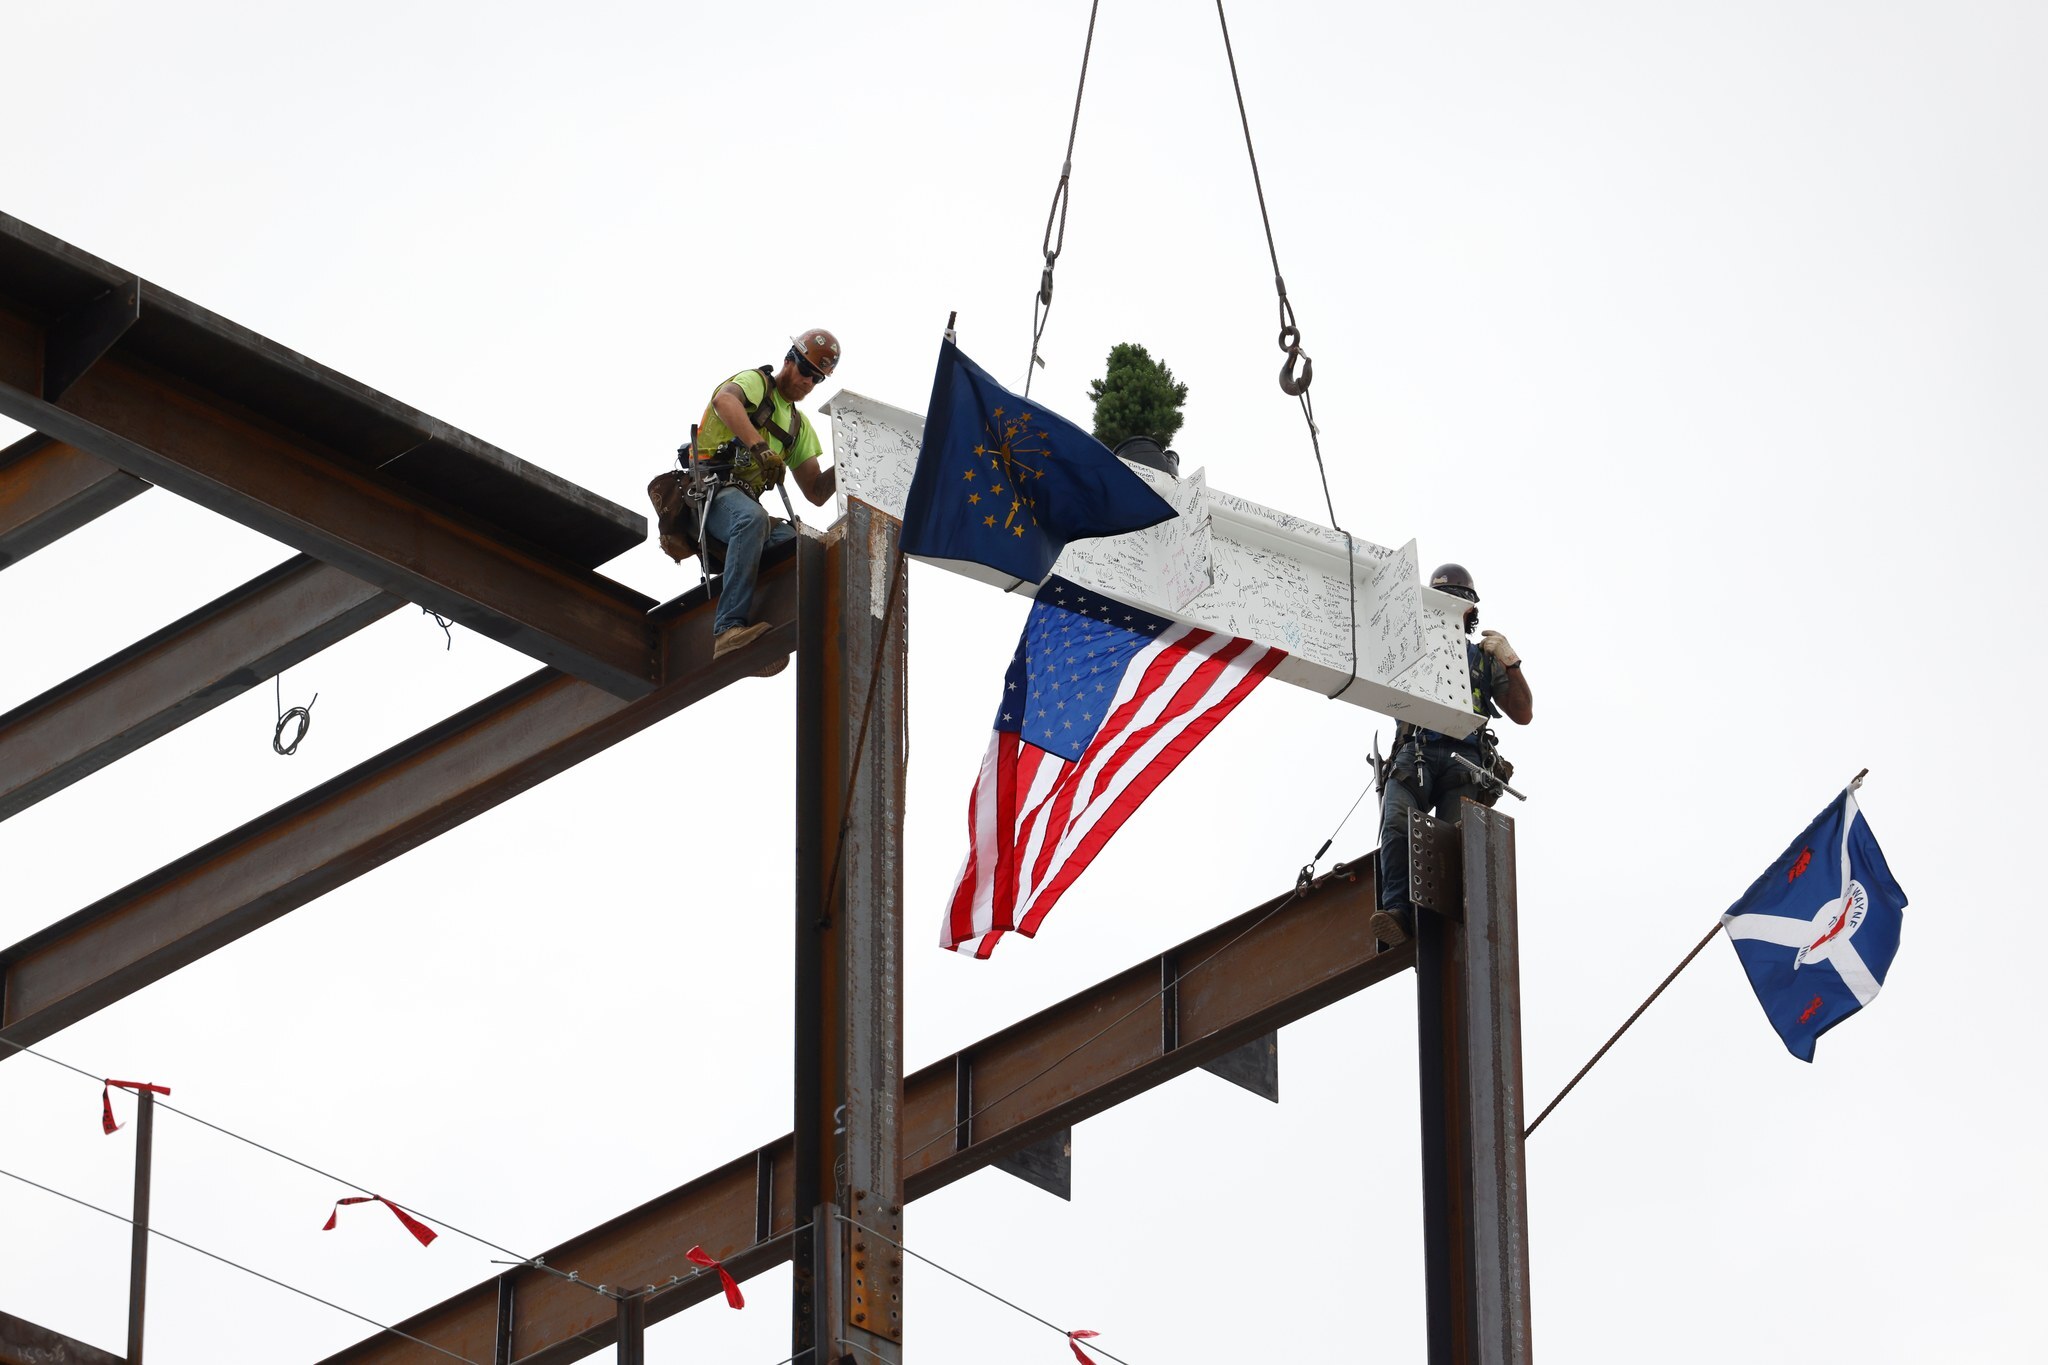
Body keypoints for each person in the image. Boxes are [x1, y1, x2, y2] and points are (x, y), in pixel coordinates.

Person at [1371, 562, 1533, 944]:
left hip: (1464, 763)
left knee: (1454, 846)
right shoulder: (1411, 648)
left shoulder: (1482, 659)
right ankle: (1398, 913)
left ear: (1470, 611)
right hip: (1417, 755)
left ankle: (1451, 927)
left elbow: (1523, 713)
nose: (1449, 606)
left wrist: (1511, 664)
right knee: (1395, 824)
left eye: (1457, 601)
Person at [693, 328, 842, 662]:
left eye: (817, 379)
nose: (808, 382)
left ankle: (769, 630)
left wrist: (851, 458)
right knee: (751, 519)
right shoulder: (756, 383)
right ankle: (728, 628)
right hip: (708, 493)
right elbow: (725, 401)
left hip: (742, 501)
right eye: (806, 371)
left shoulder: (797, 426)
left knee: (804, 546)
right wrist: (759, 447)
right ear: (790, 360)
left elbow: (816, 492)